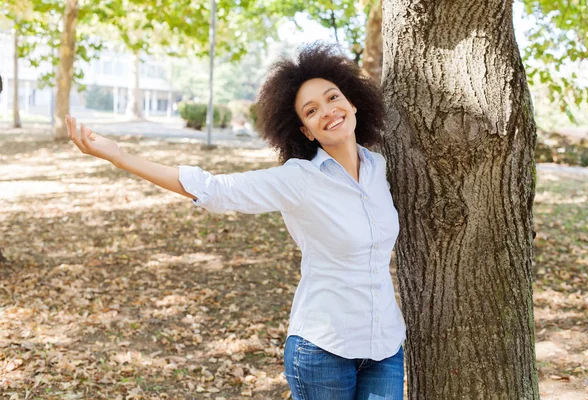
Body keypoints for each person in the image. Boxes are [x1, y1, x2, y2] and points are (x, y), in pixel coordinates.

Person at [67, 42, 406, 400]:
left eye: (333, 98)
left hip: (384, 348)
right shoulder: (299, 180)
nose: (328, 111)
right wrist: (120, 157)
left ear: (352, 103)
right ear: (305, 131)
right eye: (311, 110)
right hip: (324, 349)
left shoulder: (379, 169)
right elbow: (214, 189)